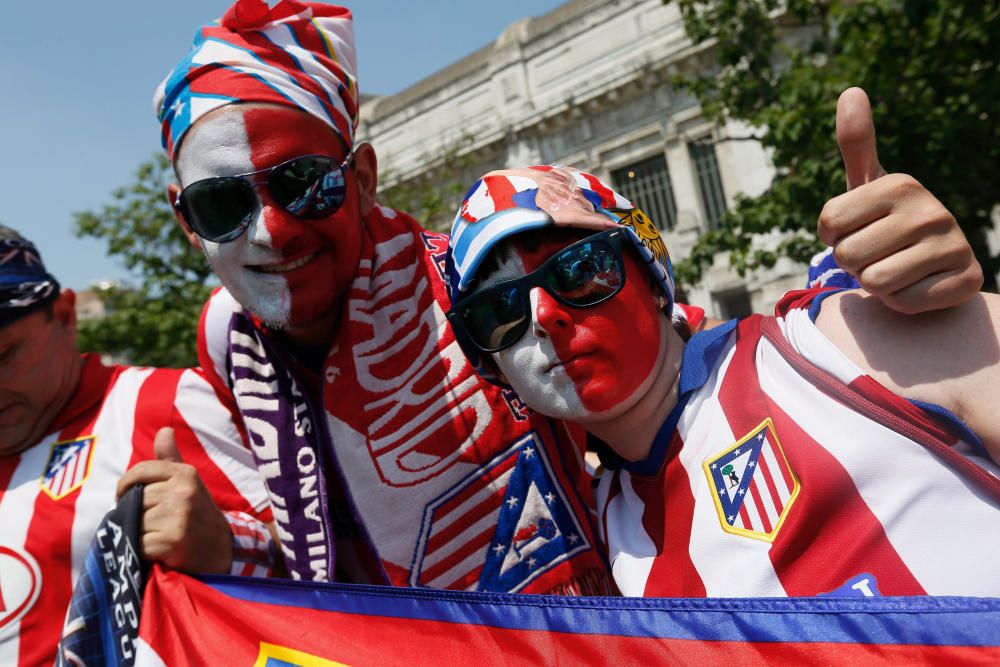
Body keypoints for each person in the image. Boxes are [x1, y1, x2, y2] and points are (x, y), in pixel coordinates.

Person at [158, 0, 984, 593]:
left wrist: (910, 304)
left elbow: (678, 371)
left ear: (362, 178)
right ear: (185, 221)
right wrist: (221, 548)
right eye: (222, 205)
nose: (270, 231)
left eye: (303, 185)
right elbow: (295, 560)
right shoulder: (226, 351)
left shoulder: (464, 281)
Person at [443, 113, 1000, 597]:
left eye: (580, 269)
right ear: (494, 369)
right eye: (499, 311)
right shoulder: (607, 530)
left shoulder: (829, 343)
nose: (545, 315)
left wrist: (948, 307)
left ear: (653, 276)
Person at [0, 226, 272, 666]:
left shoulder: (161, 404)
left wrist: (228, 547)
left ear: (67, 316)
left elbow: (332, 565)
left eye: (3, 356)